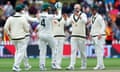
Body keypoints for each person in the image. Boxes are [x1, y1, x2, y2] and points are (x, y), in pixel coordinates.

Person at [4, 5, 31, 72]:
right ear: (21, 10)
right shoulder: (23, 18)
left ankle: (16, 66)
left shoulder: (10, 18)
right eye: (23, 9)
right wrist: (27, 27)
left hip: (13, 38)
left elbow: (5, 28)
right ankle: (16, 66)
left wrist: (9, 34)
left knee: (17, 52)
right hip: (21, 38)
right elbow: (27, 30)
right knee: (21, 52)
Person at [36, 2, 62, 71]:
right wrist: (59, 10)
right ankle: (54, 64)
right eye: (49, 8)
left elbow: (39, 21)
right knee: (55, 48)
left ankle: (42, 65)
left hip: (41, 35)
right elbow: (59, 17)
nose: (50, 9)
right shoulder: (49, 16)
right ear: (47, 9)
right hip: (48, 35)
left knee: (42, 51)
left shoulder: (40, 15)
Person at [66, 4, 87, 70]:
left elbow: (85, 21)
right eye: (75, 8)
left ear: (80, 8)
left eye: (77, 8)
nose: (76, 9)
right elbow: (67, 23)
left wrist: (79, 16)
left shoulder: (83, 15)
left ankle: (84, 64)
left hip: (81, 36)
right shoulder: (72, 15)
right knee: (73, 51)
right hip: (74, 36)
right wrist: (67, 18)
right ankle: (72, 65)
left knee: (82, 52)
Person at [89, 5, 106, 70]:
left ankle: (100, 65)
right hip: (94, 36)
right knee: (97, 51)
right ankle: (101, 65)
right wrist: (90, 34)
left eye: (93, 10)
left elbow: (103, 25)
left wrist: (100, 33)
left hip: (99, 36)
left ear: (96, 10)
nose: (92, 11)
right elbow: (92, 27)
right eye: (92, 10)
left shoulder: (99, 17)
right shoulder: (92, 17)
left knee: (100, 51)